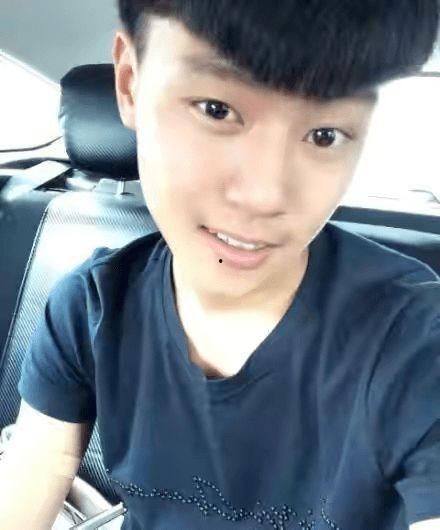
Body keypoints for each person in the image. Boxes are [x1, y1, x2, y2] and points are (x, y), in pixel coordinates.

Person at [1, 1, 439, 528]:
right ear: (130, 83)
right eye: (216, 109)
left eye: (325, 135)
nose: (265, 195)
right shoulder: (90, 307)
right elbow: (39, 466)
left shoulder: (413, 337)